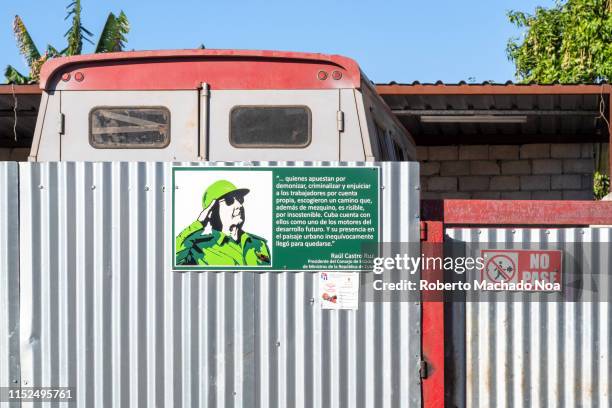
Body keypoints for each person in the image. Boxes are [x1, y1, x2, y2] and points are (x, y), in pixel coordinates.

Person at [175, 179, 271, 266]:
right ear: (211, 210)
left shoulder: (259, 244)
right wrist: (199, 223)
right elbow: (170, 260)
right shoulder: (198, 248)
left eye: (240, 199)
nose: (239, 205)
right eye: (229, 200)